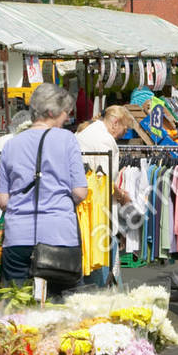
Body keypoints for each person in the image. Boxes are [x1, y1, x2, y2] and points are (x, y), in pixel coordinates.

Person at [0, 83, 88, 291]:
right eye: (65, 113)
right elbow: (80, 191)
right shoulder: (67, 140)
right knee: (63, 309)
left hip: (17, 237)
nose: (67, 119)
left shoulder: (11, 145)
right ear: (51, 112)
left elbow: (3, 200)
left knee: (18, 307)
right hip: (59, 235)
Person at [75, 104, 132, 286]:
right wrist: (123, 197)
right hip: (98, 213)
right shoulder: (105, 140)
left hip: (85, 210)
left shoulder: (85, 134)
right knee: (102, 265)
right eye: (124, 130)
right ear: (115, 122)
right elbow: (105, 181)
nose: (123, 135)